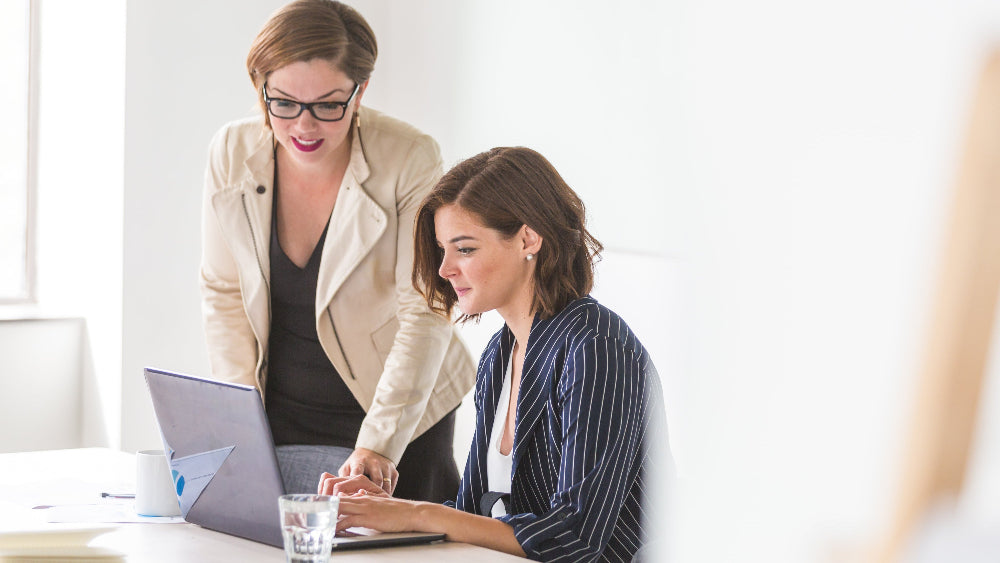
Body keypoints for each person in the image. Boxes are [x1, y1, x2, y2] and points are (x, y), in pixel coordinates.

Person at [319, 147, 668, 562]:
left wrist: (413, 513)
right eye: (443, 249)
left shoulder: (596, 347)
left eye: (464, 249)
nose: (446, 268)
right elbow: (473, 515)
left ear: (527, 239)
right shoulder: (500, 354)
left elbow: (572, 539)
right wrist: (386, 509)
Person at [199, 0, 475, 502]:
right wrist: (239, 420)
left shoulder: (409, 157)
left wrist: (378, 446)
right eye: (282, 103)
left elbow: (425, 307)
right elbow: (222, 292)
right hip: (279, 413)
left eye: (328, 105)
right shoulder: (231, 153)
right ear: (260, 88)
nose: (304, 127)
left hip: (398, 415)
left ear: (360, 90)